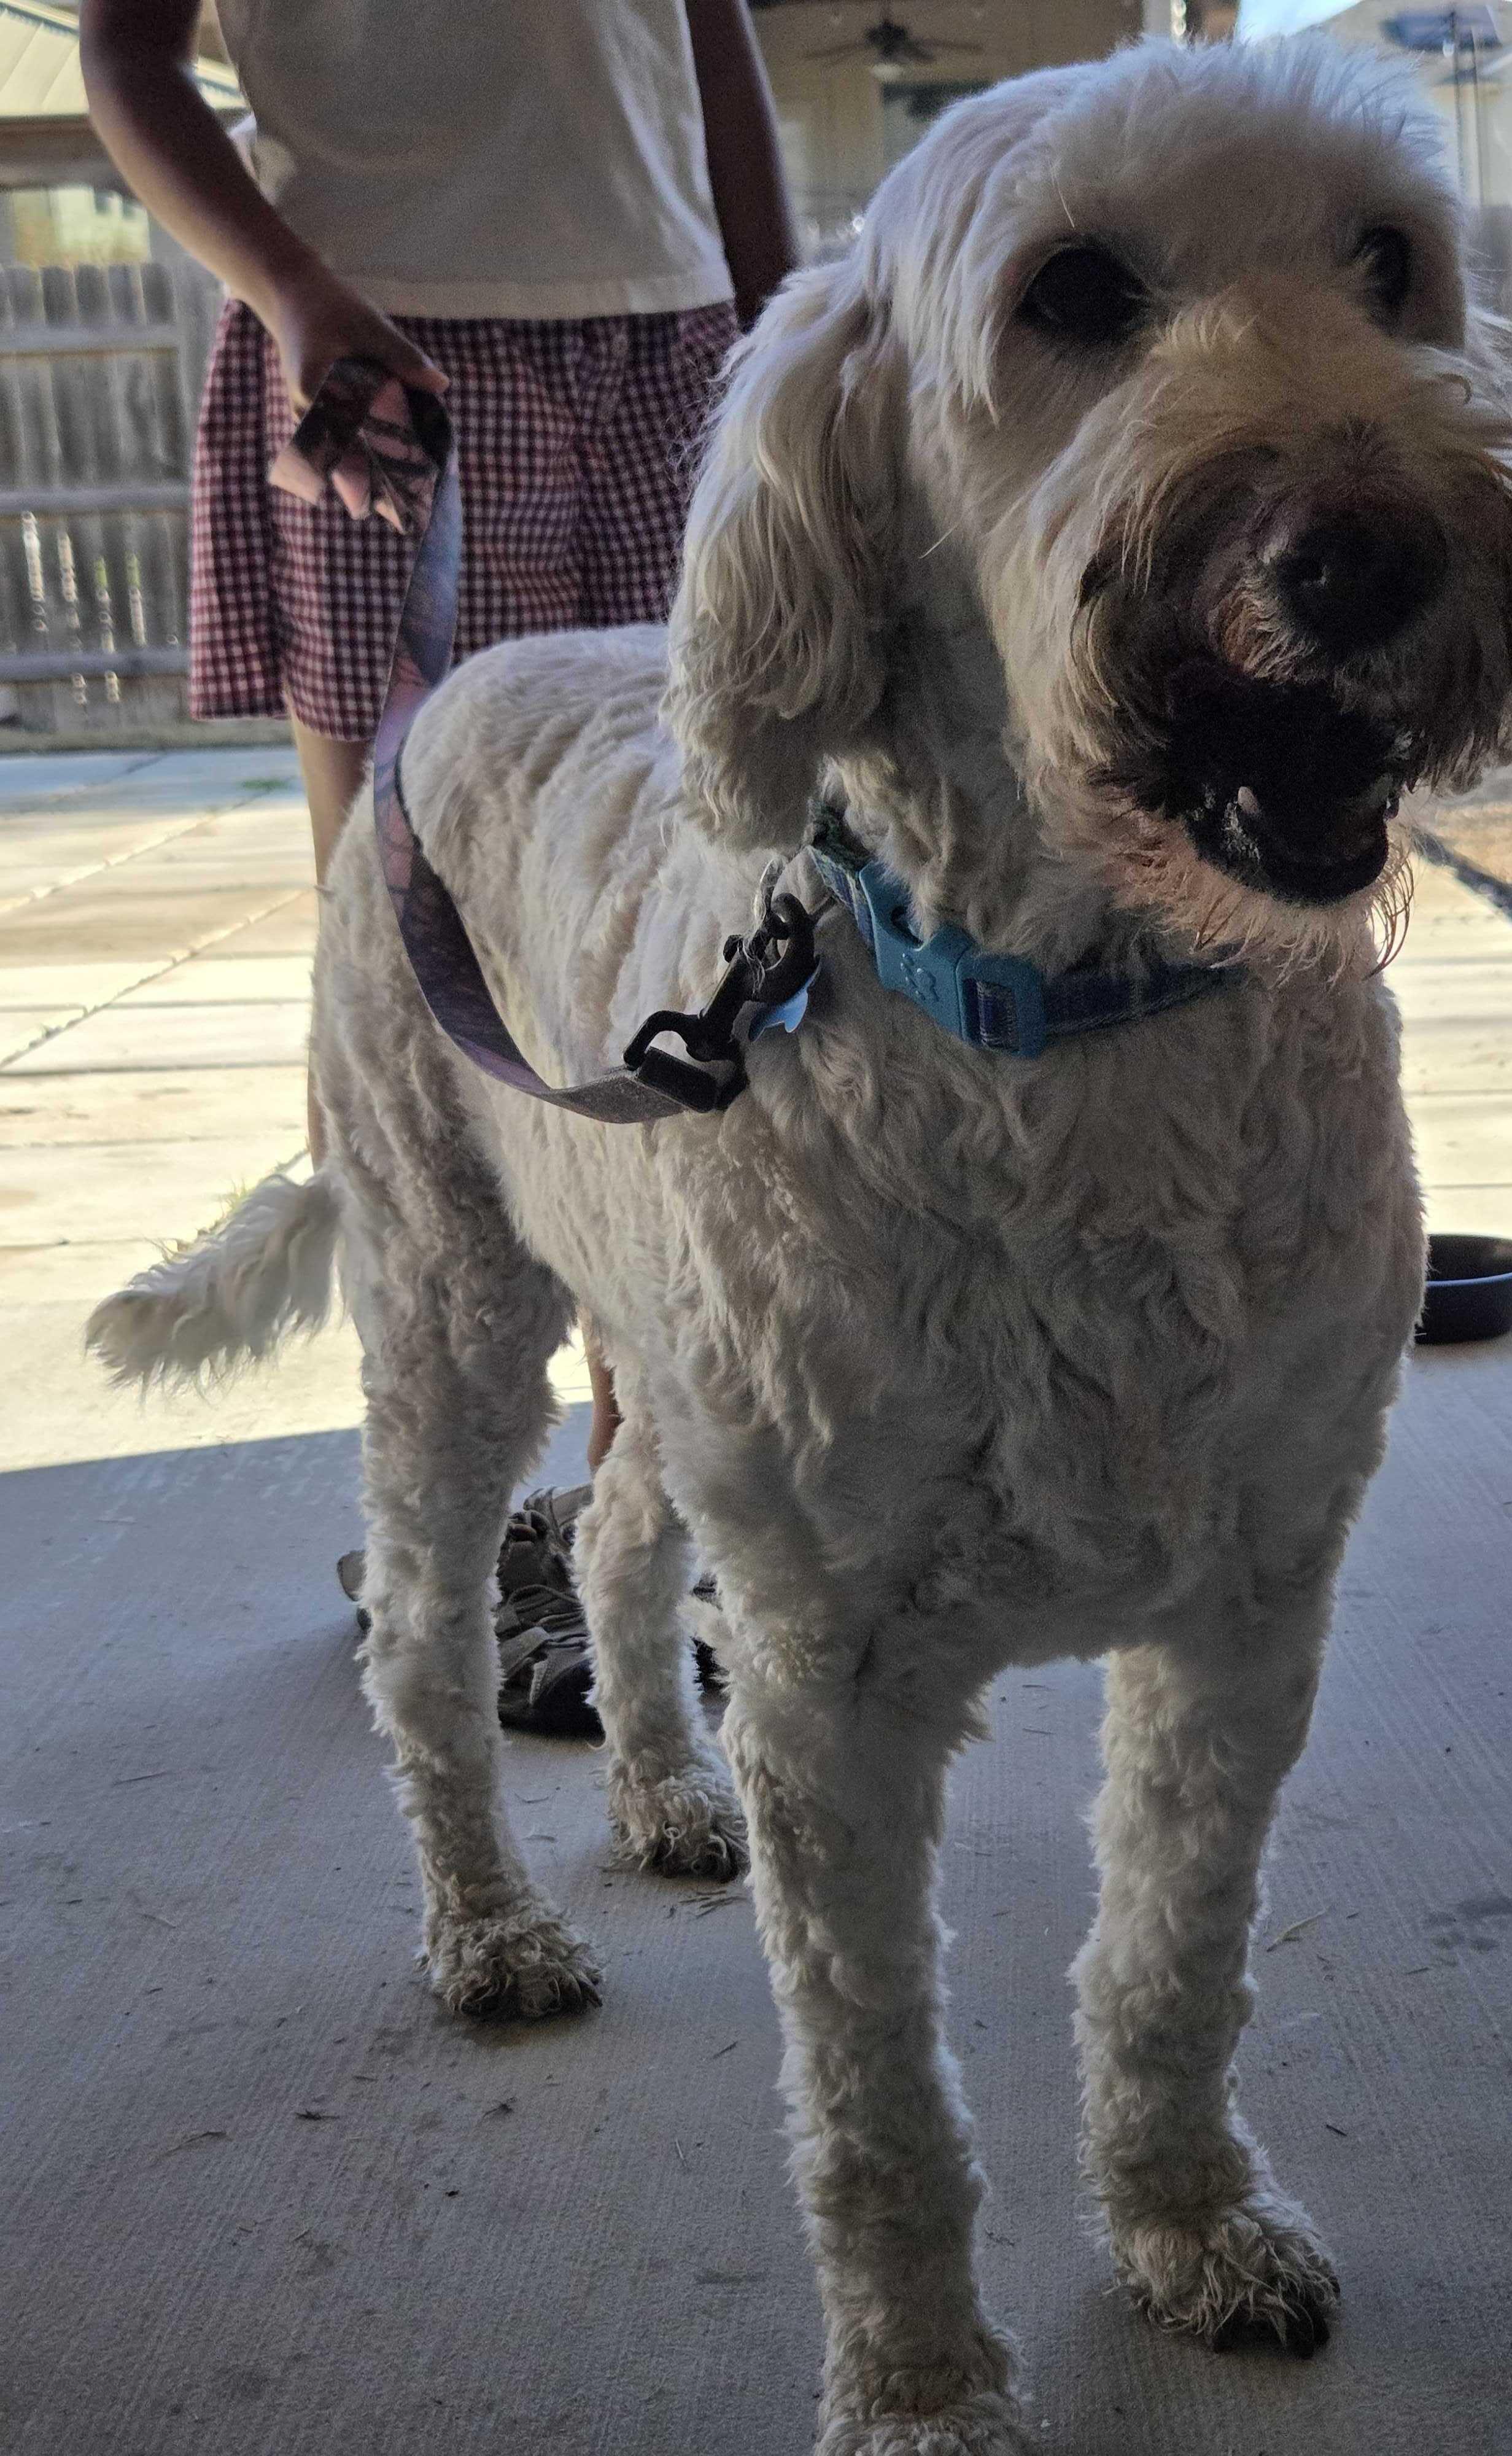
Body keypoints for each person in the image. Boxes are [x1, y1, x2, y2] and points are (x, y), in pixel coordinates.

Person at [80, 0, 796, 1725]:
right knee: (414, 949)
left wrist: (783, 330)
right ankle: (450, 1517)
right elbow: (129, 55)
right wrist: (294, 290)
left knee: (687, 904)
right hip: (373, 337)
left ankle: (647, 1509)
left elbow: (716, 43)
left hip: (677, 336)